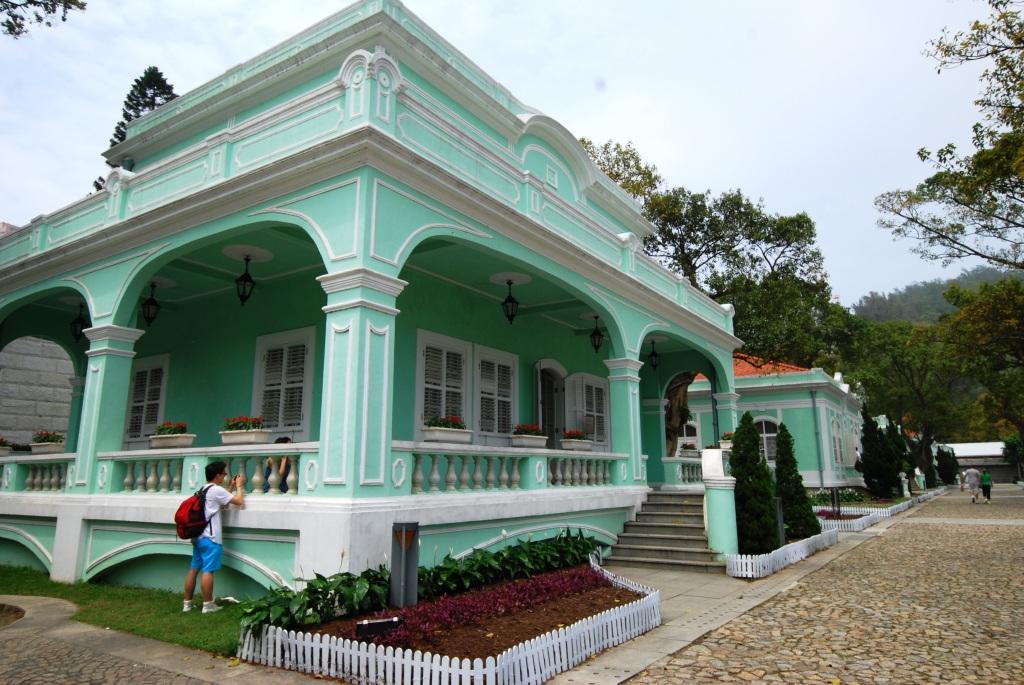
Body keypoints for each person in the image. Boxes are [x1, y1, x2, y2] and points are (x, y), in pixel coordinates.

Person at [183, 461, 245, 613]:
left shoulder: (203, 489)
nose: (225, 476)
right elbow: (239, 502)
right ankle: (208, 605)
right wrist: (239, 486)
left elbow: (221, 503)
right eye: (224, 474)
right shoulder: (216, 490)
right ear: (217, 475)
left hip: (198, 537)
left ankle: (187, 604)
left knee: (193, 569)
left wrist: (230, 487)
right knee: (208, 571)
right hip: (210, 538)